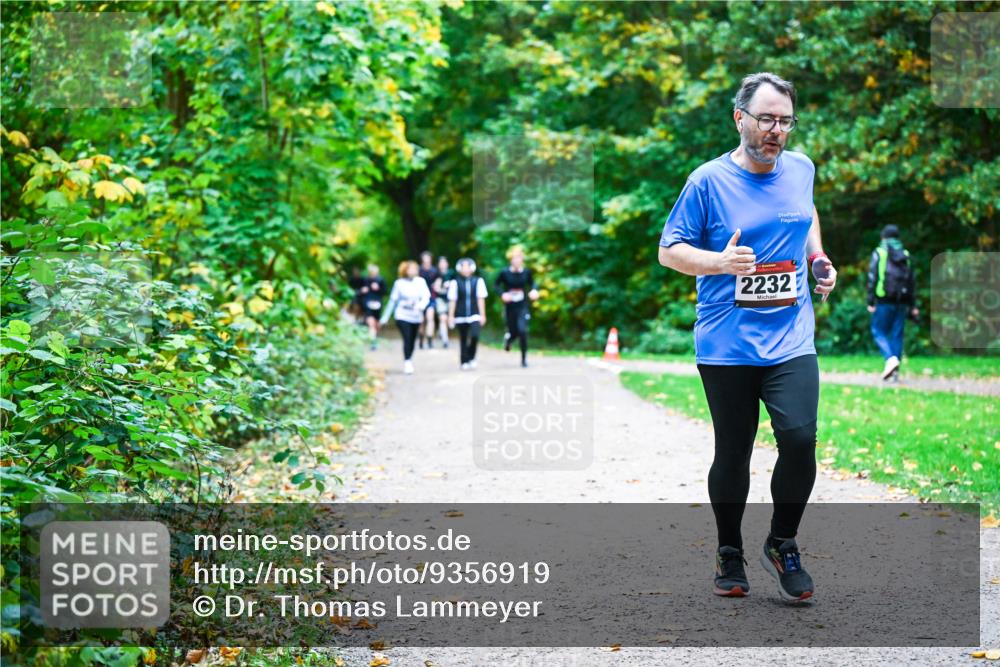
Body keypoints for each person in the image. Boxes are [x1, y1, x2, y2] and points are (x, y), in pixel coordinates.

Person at [658, 72, 837, 603]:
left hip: (790, 338)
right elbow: (670, 251)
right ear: (741, 119)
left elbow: (805, 215)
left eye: (784, 121)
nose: (775, 131)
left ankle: (782, 543)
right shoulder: (707, 182)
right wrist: (718, 262)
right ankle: (729, 551)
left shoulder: (801, 168)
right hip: (726, 344)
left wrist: (818, 258)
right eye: (766, 119)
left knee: (801, 440)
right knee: (733, 453)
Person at [866, 224, 918, 382]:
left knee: (877, 330)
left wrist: (870, 300)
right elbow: (911, 281)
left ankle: (890, 359)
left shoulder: (880, 252)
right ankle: (895, 372)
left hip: (884, 299)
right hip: (902, 301)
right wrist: (913, 305)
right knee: (897, 334)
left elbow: (872, 277)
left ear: (883, 237)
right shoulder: (905, 254)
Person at [380, 260, 431, 375]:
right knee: (407, 338)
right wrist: (385, 317)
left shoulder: (421, 282)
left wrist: (421, 305)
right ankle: (407, 362)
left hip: (416, 315)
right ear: (405, 271)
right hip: (402, 315)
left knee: (413, 339)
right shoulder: (399, 283)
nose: (413, 271)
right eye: (410, 269)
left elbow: (426, 296)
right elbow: (392, 302)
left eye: (415, 269)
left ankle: (409, 358)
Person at [495, 246, 539, 368]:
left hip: (522, 306)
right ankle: (509, 340)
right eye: (514, 259)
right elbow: (496, 285)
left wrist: (534, 290)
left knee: (523, 330)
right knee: (513, 330)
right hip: (510, 306)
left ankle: (524, 359)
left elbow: (533, 283)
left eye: (519, 259)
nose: (516, 261)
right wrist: (502, 294)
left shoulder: (526, 272)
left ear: (522, 260)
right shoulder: (504, 272)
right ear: (511, 260)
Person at [447, 258, 488, 370]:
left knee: (475, 335)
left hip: (475, 314)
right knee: (463, 338)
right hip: (460, 315)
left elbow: (481, 299)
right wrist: (450, 316)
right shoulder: (455, 282)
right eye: (463, 267)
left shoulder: (478, 281)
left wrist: (483, 314)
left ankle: (471, 357)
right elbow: (452, 300)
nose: (466, 269)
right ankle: (464, 360)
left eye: (468, 267)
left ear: (472, 268)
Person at [358, 264, 387, 351]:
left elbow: (385, 292)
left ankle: (375, 338)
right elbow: (358, 293)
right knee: (371, 323)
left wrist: (378, 289)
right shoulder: (365, 280)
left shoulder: (381, 280)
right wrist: (362, 291)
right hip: (368, 304)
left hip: (378, 304)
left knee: (377, 324)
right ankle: (373, 342)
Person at [417, 251, 440, 349]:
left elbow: (438, 281)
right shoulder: (418, 270)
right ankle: (421, 338)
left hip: (431, 297)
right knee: (421, 320)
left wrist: (437, 285)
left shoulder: (435, 271)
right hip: (420, 298)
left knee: (430, 318)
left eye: (428, 258)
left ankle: (430, 340)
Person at [434, 255, 455, 349]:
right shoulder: (436, 274)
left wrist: (450, 285)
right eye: (441, 263)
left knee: (449, 320)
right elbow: (435, 288)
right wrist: (439, 288)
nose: (442, 264)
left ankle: (442, 332)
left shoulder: (452, 273)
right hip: (440, 299)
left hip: (451, 300)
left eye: (444, 262)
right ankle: (445, 340)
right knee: (443, 318)